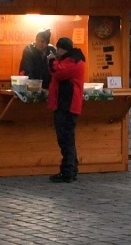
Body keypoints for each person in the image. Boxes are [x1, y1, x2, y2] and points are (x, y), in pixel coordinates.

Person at [48, 36, 86, 182]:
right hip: (66, 105)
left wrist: (51, 60)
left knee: (65, 139)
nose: (57, 51)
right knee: (67, 139)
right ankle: (71, 169)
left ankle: (67, 172)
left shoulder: (73, 61)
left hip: (67, 105)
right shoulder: (71, 59)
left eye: (58, 49)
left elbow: (58, 73)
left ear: (64, 49)